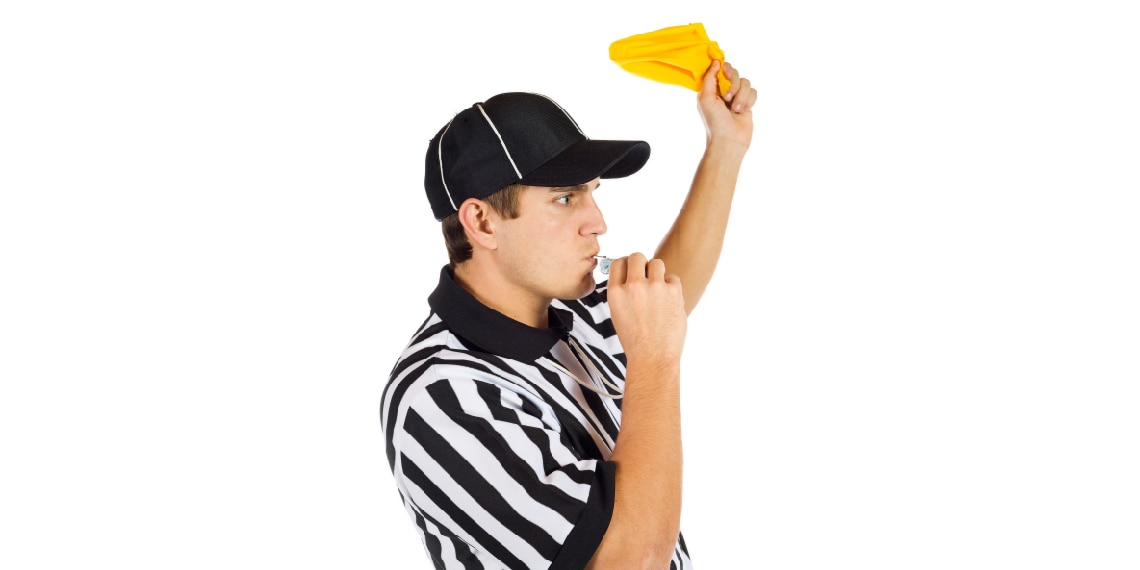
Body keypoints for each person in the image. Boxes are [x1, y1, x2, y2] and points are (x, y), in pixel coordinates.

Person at [381, 60, 756, 569]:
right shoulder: (443, 395)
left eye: (593, 193)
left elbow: (672, 290)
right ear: (482, 222)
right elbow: (631, 562)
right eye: (565, 197)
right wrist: (656, 363)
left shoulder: (566, 315)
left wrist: (726, 147)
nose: (598, 223)